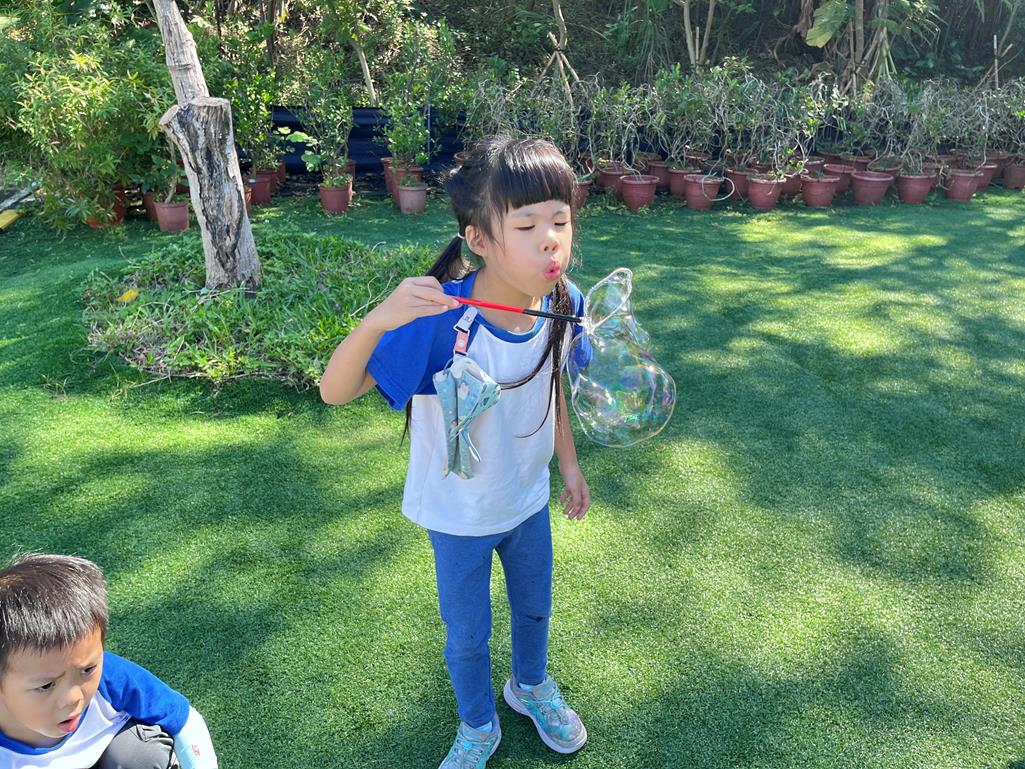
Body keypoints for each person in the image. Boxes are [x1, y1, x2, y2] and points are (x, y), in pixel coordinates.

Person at [320, 136, 592, 768]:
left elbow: (553, 386)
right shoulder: (443, 320)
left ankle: (529, 686)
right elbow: (334, 391)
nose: (550, 240)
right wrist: (378, 319)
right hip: (458, 517)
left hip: (527, 501)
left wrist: (569, 465)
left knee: (534, 609)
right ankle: (477, 723)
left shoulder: (565, 304)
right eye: (527, 225)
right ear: (479, 238)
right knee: (468, 635)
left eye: (560, 221)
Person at [0, 553, 218, 769]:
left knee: (140, 754)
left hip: (111, 754)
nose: (74, 698)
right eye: (46, 685)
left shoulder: (110, 677)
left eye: (88, 670)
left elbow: (183, 721)